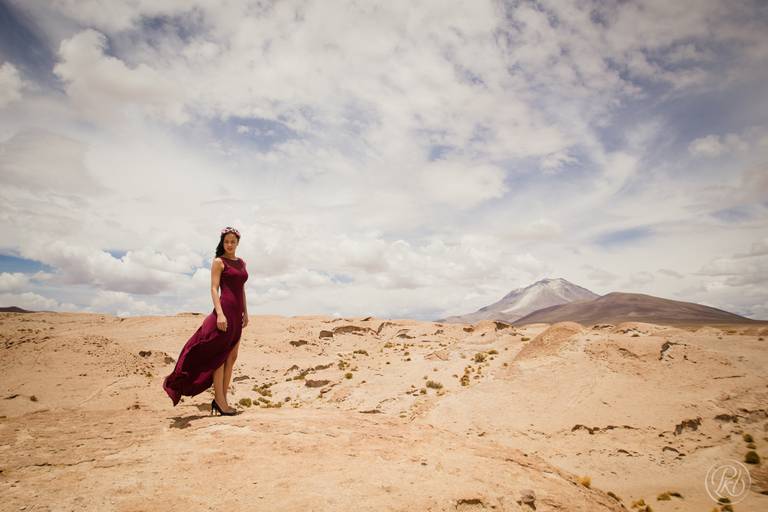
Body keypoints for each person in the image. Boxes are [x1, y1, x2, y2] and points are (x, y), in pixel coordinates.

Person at [162, 226, 249, 416]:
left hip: (237, 315)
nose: (229, 244)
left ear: (237, 243)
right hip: (224, 314)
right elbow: (213, 288)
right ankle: (220, 401)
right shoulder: (219, 262)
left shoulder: (241, 263)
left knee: (231, 358)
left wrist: (246, 313)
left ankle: (222, 399)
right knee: (219, 358)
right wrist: (219, 314)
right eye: (226, 241)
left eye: (233, 241)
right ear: (222, 242)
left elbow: (241, 289)